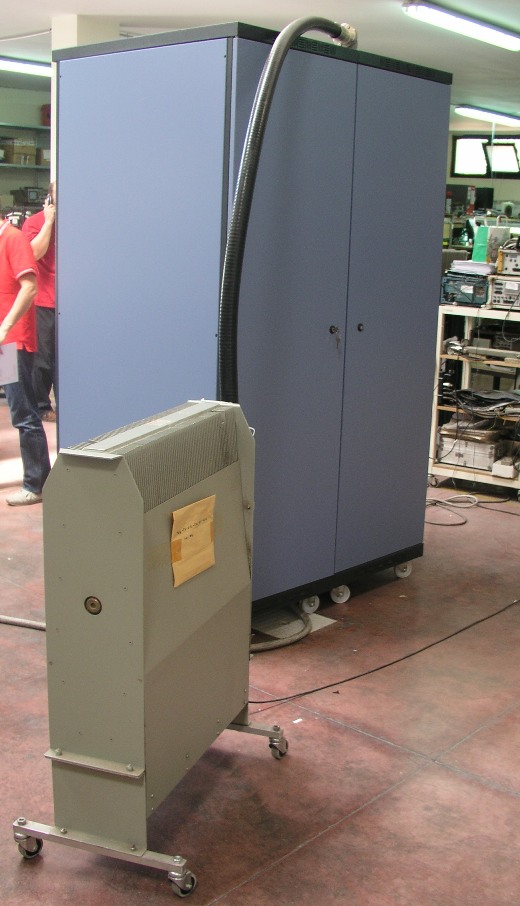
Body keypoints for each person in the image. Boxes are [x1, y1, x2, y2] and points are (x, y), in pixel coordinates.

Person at [0, 203, 51, 506]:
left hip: (12, 344)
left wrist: (5, 327)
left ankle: (37, 483)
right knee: (21, 412)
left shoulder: (13, 239)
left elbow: (29, 287)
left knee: (24, 413)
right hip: (6, 342)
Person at [22, 183, 56, 421]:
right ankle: (42, 407)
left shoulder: (79, 223)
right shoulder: (34, 223)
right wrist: (48, 222)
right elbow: (34, 253)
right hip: (44, 300)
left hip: (71, 303)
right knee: (42, 359)